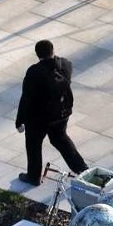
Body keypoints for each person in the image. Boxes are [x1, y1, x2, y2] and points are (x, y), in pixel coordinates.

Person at [15, 40, 88, 186]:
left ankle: (33, 176)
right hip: (62, 113)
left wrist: (19, 120)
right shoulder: (66, 65)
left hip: (39, 119)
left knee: (33, 144)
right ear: (53, 50)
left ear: (37, 54)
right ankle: (82, 170)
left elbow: (26, 98)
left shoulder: (34, 72)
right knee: (61, 139)